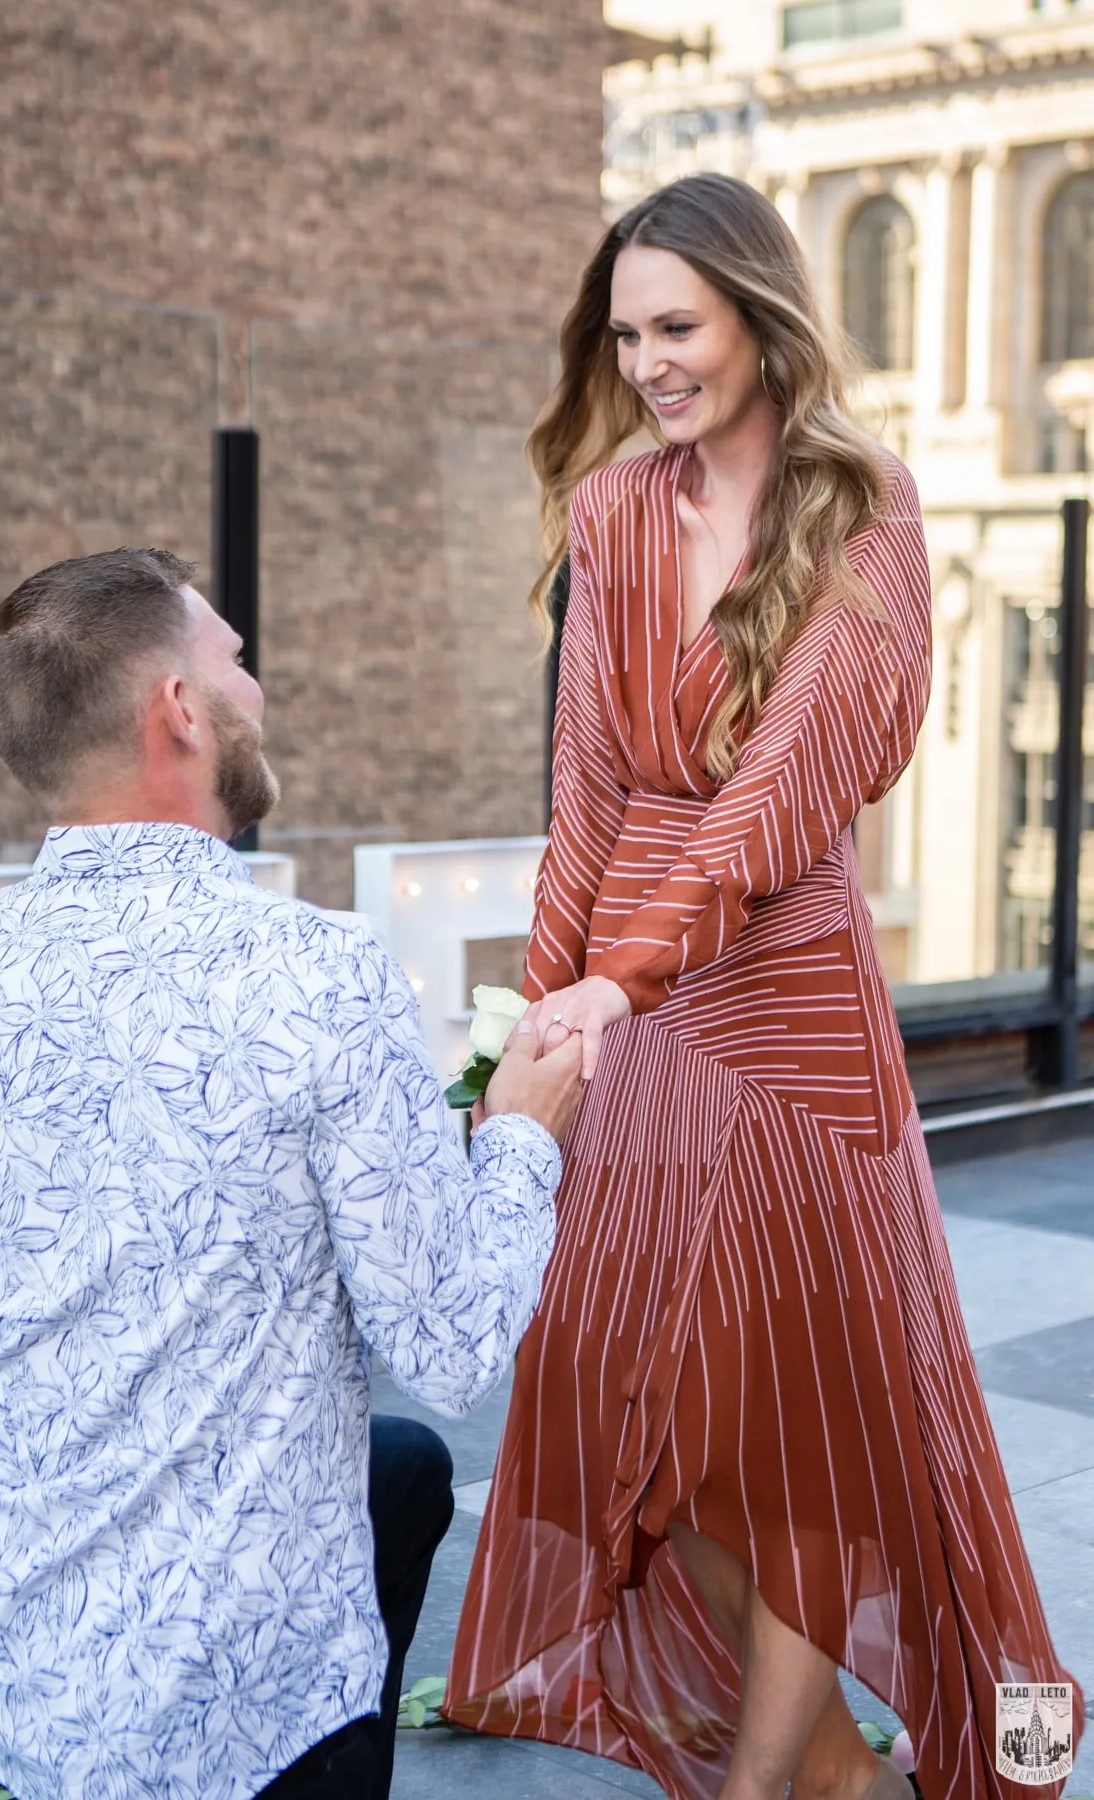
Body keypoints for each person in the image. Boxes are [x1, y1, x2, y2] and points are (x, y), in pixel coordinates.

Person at [444, 174, 1083, 1800]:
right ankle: (831, 1780)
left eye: (679, 325)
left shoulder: (865, 499)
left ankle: (760, 1783)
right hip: (632, 1023)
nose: (650, 361)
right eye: (627, 333)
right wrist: (554, 1007)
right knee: (637, 1414)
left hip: (786, 1005)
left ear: (758, 313)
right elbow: (587, 789)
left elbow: (788, 791)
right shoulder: (610, 516)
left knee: (791, 1428)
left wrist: (627, 975)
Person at [0, 548, 585, 1800]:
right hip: (223, 1680)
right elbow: (451, 1338)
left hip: (1, 1632)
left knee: (402, 1472)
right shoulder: (317, 969)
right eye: (235, 661)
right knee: (412, 1446)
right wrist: (526, 1128)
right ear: (177, 711)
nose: (255, 690)